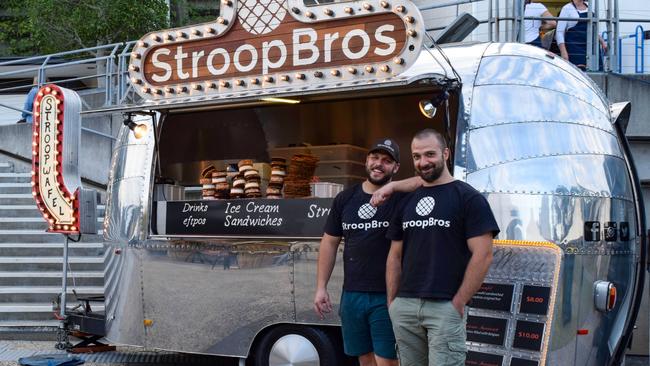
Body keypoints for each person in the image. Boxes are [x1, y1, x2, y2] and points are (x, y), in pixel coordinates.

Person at [375, 129, 499, 366]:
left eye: (430, 154)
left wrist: (459, 302)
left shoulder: (468, 198)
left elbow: (483, 255)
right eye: (416, 156)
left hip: (445, 307)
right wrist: (393, 302)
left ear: (446, 153)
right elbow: (394, 256)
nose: (423, 162)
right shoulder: (406, 201)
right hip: (405, 307)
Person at [313, 138, 403, 366]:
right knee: (364, 358)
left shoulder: (402, 198)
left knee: (388, 361)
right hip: (352, 294)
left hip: (388, 295)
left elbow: (425, 181)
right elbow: (329, 243)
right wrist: (321, 287)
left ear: (396, 168)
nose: (379, 164)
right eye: (374, 157)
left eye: (386, 160)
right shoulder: (345, 199)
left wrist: (393, 187)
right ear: (366, 160)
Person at [556, 0, 607, 70]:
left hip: (593, 49)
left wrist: (603, 43)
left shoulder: (591, 7)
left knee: (596, 72)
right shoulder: (567, 8)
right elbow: (559, 32)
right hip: (575, 49)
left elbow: (595, 30)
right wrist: (563, 51)